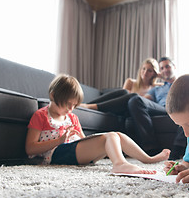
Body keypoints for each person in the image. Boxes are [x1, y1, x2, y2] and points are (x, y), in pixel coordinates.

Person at [25, 74, 170, 174]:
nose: (70, 109)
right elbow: (30, 149)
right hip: (56, 154)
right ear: (53, 96)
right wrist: (59, 141)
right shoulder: (41, 115)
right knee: (109, 137)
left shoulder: (72, 118)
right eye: (68, 104)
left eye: (74, 105)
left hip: (77, 152)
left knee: (116, 135)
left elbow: (83, 140)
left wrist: (81, 138)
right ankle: (119, 164)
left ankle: (148, 159)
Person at [127, 57, 186, 157]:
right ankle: (151, 148)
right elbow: (143, 99)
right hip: (163, 109)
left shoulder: (183, 82)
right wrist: (162, 76)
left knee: (187, 109)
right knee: (135, 100)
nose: (165, 70)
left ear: (174, 67)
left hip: (179, 107)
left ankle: (177, 149)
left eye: (167, 67)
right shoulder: (157, 88)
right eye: (161, 68)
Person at [79, 58, 161, 116]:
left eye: (149, 70)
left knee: (133, 97)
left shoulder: (155, 88)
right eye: (143, 69)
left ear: (154, 73)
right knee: (124, 92)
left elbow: (168, 84)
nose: (145, 72)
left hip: (133, 111)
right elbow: (122, 98)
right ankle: (87, 105)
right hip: (119, 107)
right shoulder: (131, 82)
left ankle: (89, 106)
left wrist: (160, 76)